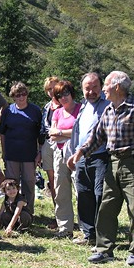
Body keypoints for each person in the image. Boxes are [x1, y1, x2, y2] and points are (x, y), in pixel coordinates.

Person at [69, 71, 134, 266]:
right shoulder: (109, 110)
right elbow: (97, 137)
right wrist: (79, 153)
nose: (103, 89)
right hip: (112, 163)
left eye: (105, 85)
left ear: (116, 87)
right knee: (107, 207)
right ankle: (104, 250)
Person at [64, 72, 109, 246]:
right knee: (83, 194)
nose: (91, 92)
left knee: (100, 195)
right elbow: (78, 133)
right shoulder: (83, 106)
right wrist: (74, 155)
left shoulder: (107, 105)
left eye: (94, 87)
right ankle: (88, 234)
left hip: (101, 156)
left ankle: (102, 234)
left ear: (101, 86)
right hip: (81, 157)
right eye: (87, 88)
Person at [0, 82, 42, 213]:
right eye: (18, 95)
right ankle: (10, 210)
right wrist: (4, 152)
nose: (21, 97)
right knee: (11, 184)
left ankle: (28, 212)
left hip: (29, 155)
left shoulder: (35, 111)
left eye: (24, 94)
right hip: (11, 154)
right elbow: (2, 133)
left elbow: (41, 134)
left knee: (29, 184)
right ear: (13, 97)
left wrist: (39, 152)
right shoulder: (8, 111)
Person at [49, 80, 80, 237]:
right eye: (59, 95)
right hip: (59, 154)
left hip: (77, 154)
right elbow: (52, 134)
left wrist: (61, 132)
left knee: (80, 190)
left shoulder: (81, 109)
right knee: (61, 190)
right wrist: (64, 132)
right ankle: (64, 227)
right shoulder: (57, 112)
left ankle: (85, 227)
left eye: (66, 93)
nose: (63, 98)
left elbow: (79, 131)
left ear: (72, 92)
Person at [39, 76, 61, 228]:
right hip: (47, 144)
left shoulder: (68, 105)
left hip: (62, 144)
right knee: (52, 183)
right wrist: (39, 149)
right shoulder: (47, 107)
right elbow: (41, 129)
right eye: (48, 89)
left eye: (54, 88)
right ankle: (58, 216)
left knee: (64, 182)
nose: (51, 92)